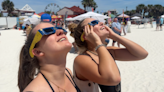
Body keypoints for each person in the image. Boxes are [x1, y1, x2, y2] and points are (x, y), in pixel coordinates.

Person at [73, 18, 148, 92]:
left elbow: (142, 54)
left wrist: (114, 36)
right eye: (94, 22)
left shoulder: (109, 51)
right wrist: (97, 42)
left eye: (100, 21)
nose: (102, 23)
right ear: (85, 35)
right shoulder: (81, 59)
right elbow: (113, 79)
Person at [18, 22, 81, 92]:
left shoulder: (67, 73)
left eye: (59, 28)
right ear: (38, 52)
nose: (61, 31)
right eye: (48, 31)